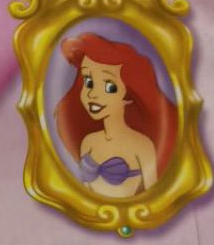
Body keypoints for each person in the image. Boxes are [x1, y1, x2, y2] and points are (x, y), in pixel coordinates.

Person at [54, 32, 177, 199]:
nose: (92, 94)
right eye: (88, 82)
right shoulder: (88, 143)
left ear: (129, 94)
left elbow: (153, 198)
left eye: (109, 87)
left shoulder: (142, 146)